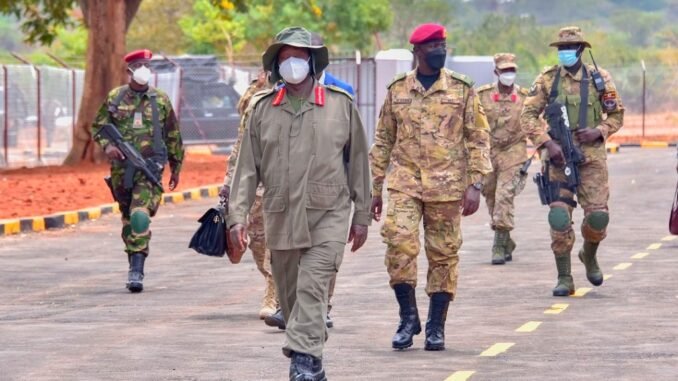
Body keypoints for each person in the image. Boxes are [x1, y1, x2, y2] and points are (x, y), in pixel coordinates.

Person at [227, 27, 371, 380]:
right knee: (290, 298)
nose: (293, 63)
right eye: (286, 57)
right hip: (280, 215)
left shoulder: (340, 105)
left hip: (329, 215)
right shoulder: (262, 110)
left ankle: (302, 362)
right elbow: (246, 170)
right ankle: (314, 358)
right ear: (277, 64)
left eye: (300, 56)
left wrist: (362, 214)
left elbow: (359, 165)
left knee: (312, 284)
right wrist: (236, 217)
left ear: (312, 61)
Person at [369, 23, 492, 351]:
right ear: (417, 52)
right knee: (399, 246)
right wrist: (374, 189)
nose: (440, 50)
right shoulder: (397, 90)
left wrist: (476, 183)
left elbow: (478, 138)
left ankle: (437, 325)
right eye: (433, 46)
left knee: (443, 255)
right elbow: (383, 140)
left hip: (448, 187)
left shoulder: (462, 89)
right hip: (405, 183)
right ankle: (408, 317)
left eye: (443, 44)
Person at [520, 26, 624, 296]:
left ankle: (589, 255)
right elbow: (527, 116)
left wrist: (598, 132)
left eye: (570, 48)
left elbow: (616, 116)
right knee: (558, 217)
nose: (564, 53)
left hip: (591, 159)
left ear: (581, 49)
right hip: (558, 159)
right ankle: (564, 276)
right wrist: (547, 142)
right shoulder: (547, 80)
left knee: (598, 218)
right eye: (561, 49)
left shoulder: (599, 79)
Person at [92, 49, 184, 293]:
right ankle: (133, 256)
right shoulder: (116, 97)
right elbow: (98, 126)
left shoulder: (161, 100)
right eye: (140, 64)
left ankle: (137, 270)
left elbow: (173, 135)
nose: (145, 68)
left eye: (147, 64)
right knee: (127, 219)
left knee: (139, 214)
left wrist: (176, 166)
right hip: (122, 170)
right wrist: (109, 146)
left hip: (150, 168)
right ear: (129, 70)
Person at [220, 69, 278, 320]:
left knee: (278, 241)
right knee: (256, 241)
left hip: (283, 184)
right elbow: (241, 144)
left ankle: (274, 293)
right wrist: (228, 181)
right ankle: (272, 281)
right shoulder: (254, 98)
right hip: (254, 182)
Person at [476, 53, 529, 265]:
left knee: (504, 195)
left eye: (512, 71)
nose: (509, 74)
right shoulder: (481, 95)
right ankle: (506, 238)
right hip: (489, 150)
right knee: (490, 194)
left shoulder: (526, 97)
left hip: (514, 150)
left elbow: (536, 123)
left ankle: (498, 245)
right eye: (505, 71)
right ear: (496, 72)